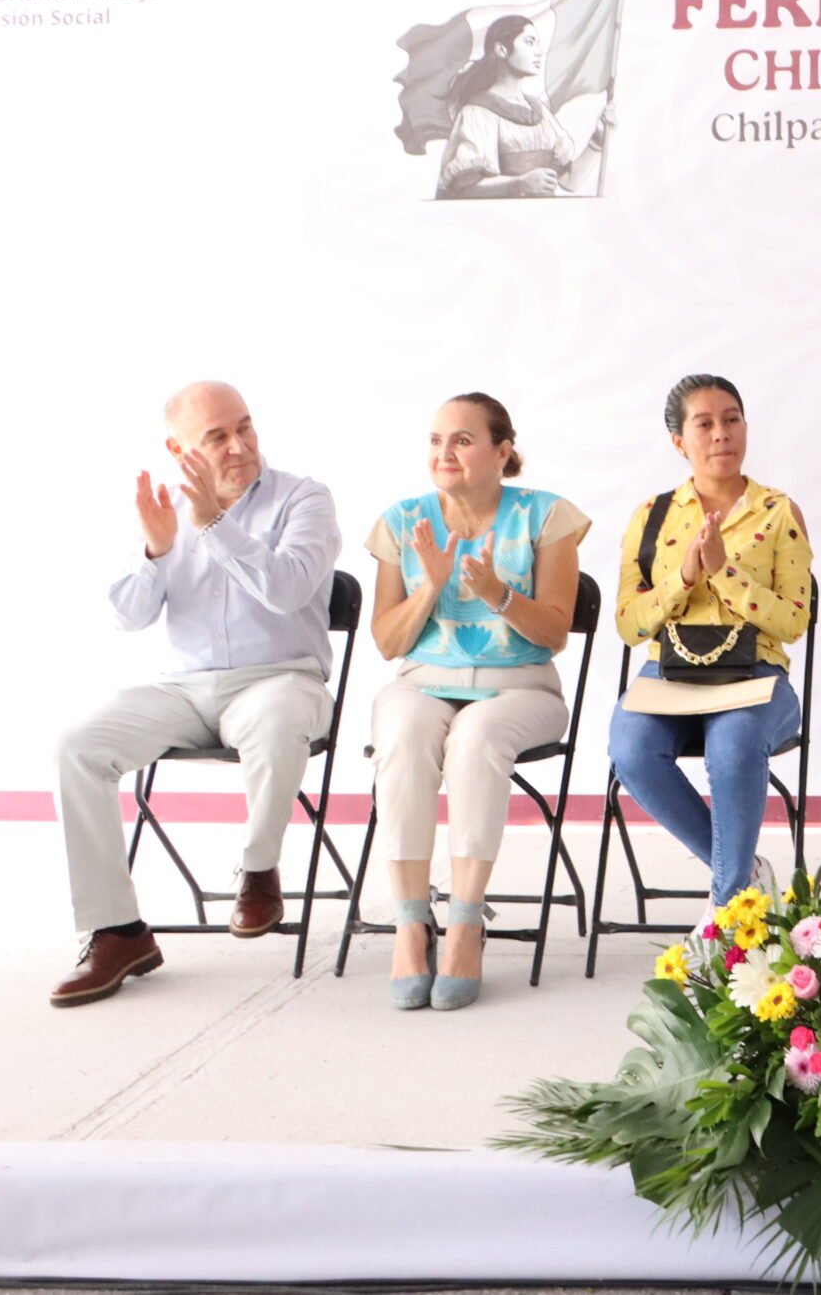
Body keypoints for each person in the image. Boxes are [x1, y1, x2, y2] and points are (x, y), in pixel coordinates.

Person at [50, 382, 343, 1007]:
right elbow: (127, 617)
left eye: (245, 426)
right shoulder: (165, 507)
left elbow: (288, 589)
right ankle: (117, 931)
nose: (239, 445)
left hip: (281, 679)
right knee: (77, 747)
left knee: (276, 719)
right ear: (178, 449)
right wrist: (156, 550)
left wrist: (213, 523)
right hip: (183, 690)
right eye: (217, 436)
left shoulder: (303, 498)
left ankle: (258, 870)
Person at [364, 394, 589, 1010]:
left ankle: (465, 922)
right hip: (423, 681)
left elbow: (555, 633)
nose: (445, 452)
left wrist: (496, 593)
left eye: (463, 440)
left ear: (501, 451)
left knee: (475, 737)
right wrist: (430, 587)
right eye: (437, 439)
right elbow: (387, 643)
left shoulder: (546, 516)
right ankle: (411, 923)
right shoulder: (403, 521)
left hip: (521, 688)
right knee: (402, 730)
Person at [608, 374, 812, 913]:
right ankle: (745, 878)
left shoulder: (778, 511)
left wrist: (725, 574)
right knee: (631, 751)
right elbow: (629, 626)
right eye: (704, 424)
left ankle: (726, 913)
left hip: (756, 673)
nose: (721, 433)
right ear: (679, 441)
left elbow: (793, 622)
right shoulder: (651, 515)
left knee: (734, 747)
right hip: (669, 673)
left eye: (731, 420)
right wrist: (683, 577)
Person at [435, 15, 612, 200]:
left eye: (537, 44)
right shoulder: (477, 112)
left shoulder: (539, 110)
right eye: (529, 42)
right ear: (501, 50)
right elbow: (463, 189)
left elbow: (569, 181)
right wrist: (517, 184)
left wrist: (598, 140)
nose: (539, 52)